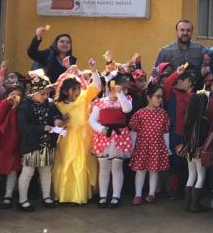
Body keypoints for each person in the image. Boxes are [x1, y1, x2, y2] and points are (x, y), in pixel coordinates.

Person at [53, 62, 101, 204]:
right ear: (65, 90)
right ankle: (65, 194)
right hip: (67, 139)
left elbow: (97, 87)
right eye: (74, 89)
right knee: (66, 164)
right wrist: (62, 122)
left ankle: (80, 195)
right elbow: (55, 124)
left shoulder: (84, 98)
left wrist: (93, 70)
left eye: (78, 88)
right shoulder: (58, 105)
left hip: (84, 138)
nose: (77, 92)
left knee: (82, 165)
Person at [17, 72, 64, 211]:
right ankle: (23, 200)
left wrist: (57, 119)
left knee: (46, 171)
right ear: (33, 92)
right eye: (42, 93)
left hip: (47, 144)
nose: (45, 96)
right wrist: (42, 127)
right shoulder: (25, 106)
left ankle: (46, 197)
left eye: (47, 93)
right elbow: (23, 126)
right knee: (28, 172)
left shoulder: (49, 104)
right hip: (32, 145)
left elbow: (56, 114)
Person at [90, 77, 134, 208]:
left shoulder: (126, 101)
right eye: (119, 88)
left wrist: (120, 94)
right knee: (103, 168)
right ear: (110, 88)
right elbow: (92, 120)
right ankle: (103, 196)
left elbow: (127, 109)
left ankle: (116, 196)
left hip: (119, 138)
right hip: (104, 137)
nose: (122, 91)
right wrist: (100, 128)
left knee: (117, 167)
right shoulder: (100, 102)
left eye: (124, 89)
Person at [128, 84, 170, 205]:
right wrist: (132, 147)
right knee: (140, 171)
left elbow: (165, 132)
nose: (160, 99)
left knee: (154, 170)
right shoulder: (140, 114)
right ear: (148, 97)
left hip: (157, 146)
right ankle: (138, 194)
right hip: (142, 147)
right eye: (157, 96)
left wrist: (167, 148)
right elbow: (134, 131)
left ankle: (151, 194)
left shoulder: (163, 113)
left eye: (161, 97)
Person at [163, 64, 195, 199]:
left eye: (187, 81)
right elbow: (167, 85)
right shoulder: (172, 94)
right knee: (175, 162)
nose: (189, 84)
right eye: (180, 80)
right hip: (174, 133)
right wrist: (176, 73)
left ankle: (183, 188)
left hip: (187, 134)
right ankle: (172, 189)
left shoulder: (190, 96)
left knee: (184, 163)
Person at [179, 92, 211, 213]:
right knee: (201, 176)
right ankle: (195, 205)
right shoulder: (204, 120)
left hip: (188, 151)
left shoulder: (188, 119)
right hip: (199, 151)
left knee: (191, 175)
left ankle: (187, 204)